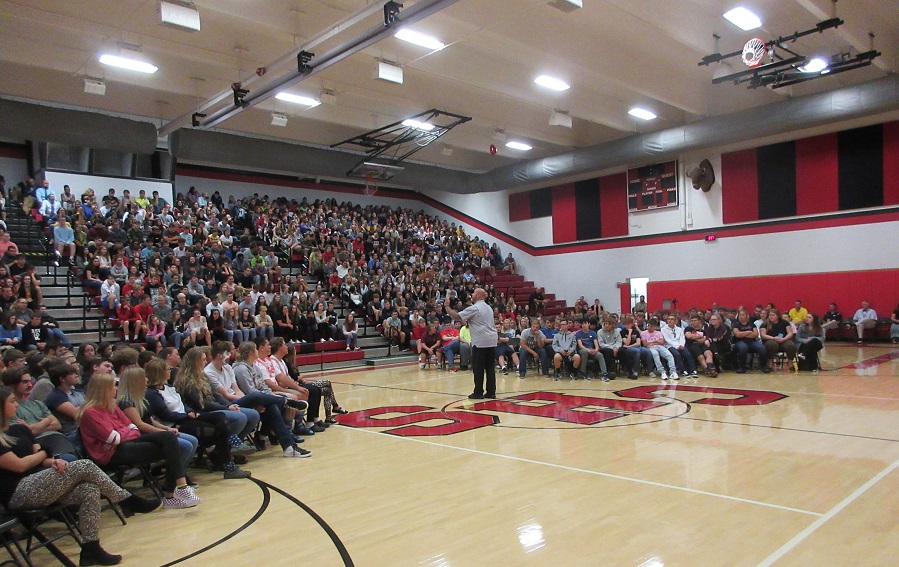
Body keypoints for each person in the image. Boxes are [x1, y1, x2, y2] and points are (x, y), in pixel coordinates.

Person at [0, 386, 157, 567]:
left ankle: (91, 548)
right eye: (12, 401)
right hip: (17, 493)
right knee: (85, 465)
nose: (17, 405)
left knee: (88, 489)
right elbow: (19, 466)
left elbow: (41, 457)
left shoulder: (21, 429)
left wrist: (52, 461)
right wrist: (44, 454)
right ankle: (125, 499)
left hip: (39, 483)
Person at [77, 373, 200, 510]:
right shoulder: (90, 412)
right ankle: (174, 493)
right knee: (173, 449)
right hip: (110, 454)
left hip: (122, 445)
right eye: (113, 386)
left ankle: (178, 491)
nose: (116, 388)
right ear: (104, 389)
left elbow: (133, 429)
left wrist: (121, 434)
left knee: (169, 438)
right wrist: (123, 433)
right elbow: (114, 437)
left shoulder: (112, 406)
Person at [443, 288, 498, 399]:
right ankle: (491, 392)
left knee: (478, 368)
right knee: (490, 368)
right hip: (492, 340)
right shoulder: (488, 308)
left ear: (478, 296)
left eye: (473, 293)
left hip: (480, 341)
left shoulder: (475, 308)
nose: (471, 295)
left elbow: (456, 317)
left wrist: (447, 307)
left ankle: (478, 392)